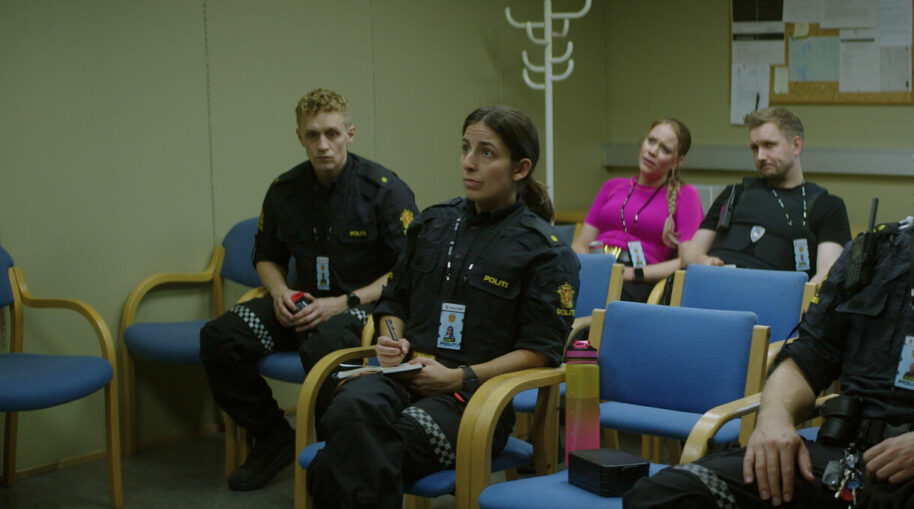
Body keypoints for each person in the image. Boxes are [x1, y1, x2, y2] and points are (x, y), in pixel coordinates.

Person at [625, 98, 914, 509]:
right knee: (664, 495)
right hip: (843, 460)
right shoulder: (872, 255)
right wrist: (773, 419)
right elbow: (804, 357)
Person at [306, 105, 580, 507]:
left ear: (520, 169)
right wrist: (392, 341)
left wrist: (459, 377)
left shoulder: (545, 251)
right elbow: (394, 300)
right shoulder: (432, 224)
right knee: (347, 408)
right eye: (466, 148)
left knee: (347, 457)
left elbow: (541, 351)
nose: (469, 162)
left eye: (487, 153)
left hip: (474, 398)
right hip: (405, 375)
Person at [199, 88, 418, 491]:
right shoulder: (284, 190)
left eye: (332, 134)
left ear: (350, 134)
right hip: (301, 305)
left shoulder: (384, 190)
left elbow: (406, 272)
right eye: (313, 135)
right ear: (299, 136)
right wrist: (279, 292)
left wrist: (344, 301)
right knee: (221, 338)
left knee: (324, 346)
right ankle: (272, 438)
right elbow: (266, 256)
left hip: (363, 306)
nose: (323, 145)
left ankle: (334, 459)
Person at [680, 107, 850, 285]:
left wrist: (798, 299)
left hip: (777, 295)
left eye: (769, 145)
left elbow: (827, 275)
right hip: (714, 286)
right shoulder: (734, 193)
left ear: (796, 145)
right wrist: (702, 261)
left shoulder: (827, 206)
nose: (760, 156)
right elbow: (691, 253)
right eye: (755, 148)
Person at [571, 118, 704, 302]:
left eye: (665, 150)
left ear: (677, 162)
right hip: (596, 268)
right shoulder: (612, 186)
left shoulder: (686, 194)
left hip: (638, 280)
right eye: (651, 141)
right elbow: (580, 244)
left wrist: (634, 273)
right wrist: (589, 269)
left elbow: (686, 261)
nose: (652, 151)